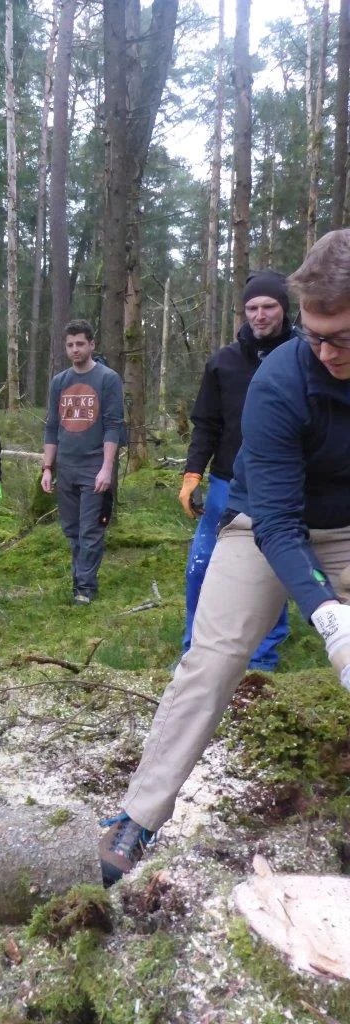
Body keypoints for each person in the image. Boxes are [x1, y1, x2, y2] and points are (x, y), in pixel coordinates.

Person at [100, 229, 350, 887]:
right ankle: (139, 812)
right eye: (315, 335)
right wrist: (327, 615)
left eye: (341, 338)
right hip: (261, 527)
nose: (325, 352)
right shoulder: (280, 381)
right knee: (209, 662)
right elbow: (276, 522)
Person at [179, 270, 296, 670]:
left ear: (284, 308)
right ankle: (196, 648)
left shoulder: (304, 355)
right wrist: (193, 473)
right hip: (226, 483)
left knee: (272, 569)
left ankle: (261, 656)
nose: (260, 315)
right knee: (202, 565)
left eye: (269, 306)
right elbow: (207, 424)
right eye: (252, 308)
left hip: (283, 485)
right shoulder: (223, 363)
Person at [41, 318, 124, 605]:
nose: (75, 349)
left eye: (80, 344)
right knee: (72, 530)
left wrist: (106, 468)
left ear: (91, 344)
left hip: (94, 468)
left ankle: (85, 588)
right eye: (70, 345)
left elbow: (114, 425)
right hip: (66, 467)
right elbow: (52, 426)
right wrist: (47, 468)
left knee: (90, 529)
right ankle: (79, 580)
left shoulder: (107, 379)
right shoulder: (59, 382)